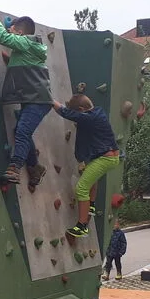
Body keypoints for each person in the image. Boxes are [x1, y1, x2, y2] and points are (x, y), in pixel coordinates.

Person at [0, 8, 51, 191]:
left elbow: (3, 38)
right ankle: (35, 167)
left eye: (11, 29)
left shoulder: (26, 42)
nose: (9, 31)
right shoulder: (27, 49)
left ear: (20, 32)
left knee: (21, 132)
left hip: (38, 101)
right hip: (33, 99)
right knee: (21, 130)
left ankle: (14, 168)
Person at [53, 94, 120, 238]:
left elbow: (65, 113)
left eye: (77, 114)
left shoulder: (89, 118)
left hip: (105, 159)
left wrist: (49, 100)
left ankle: (82, 226)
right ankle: (91, 205)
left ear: (82, 109)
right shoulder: (97, 113)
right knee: (91, 179)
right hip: (106, 157)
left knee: (82, 188)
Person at [102, 218, 127, 282]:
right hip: (110, 251)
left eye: (115, 224)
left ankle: (119, 273)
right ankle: (107, 274)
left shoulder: (120, 233)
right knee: (108, 263)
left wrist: (122, 251)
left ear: (118, 225)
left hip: (117, 252)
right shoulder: (109, 232)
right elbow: (106, 241)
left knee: (117, 263)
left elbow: (123, 243)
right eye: (112, 224)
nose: (114, 226)